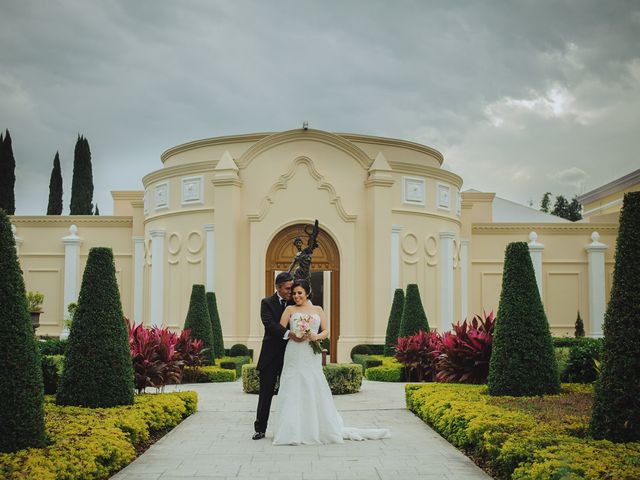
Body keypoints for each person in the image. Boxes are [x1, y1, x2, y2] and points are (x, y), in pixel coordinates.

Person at [272, 279, 391, 445]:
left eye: (299, 293)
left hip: (311, 351)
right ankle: (291, 429)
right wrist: (294, 335)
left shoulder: (318, 309)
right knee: (294, 383)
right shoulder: (289, 309)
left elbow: (326, 331)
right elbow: (280, 329)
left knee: (313, 381)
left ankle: (317, 426)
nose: (296, 296)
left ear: (307, 293)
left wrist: (316, 336)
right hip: (294, 351)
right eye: (294, 293)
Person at [253, 272, 304, 440]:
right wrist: (290, 334)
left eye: (292, 288)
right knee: (265, 394)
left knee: (291, 393)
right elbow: (270, 325)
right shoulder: (266, 303)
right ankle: (260, 429)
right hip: (270, 356)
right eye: (288, 288)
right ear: (278, 287)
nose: (291, 292)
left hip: (291, 356)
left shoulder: (294, 302)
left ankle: (291, 428)